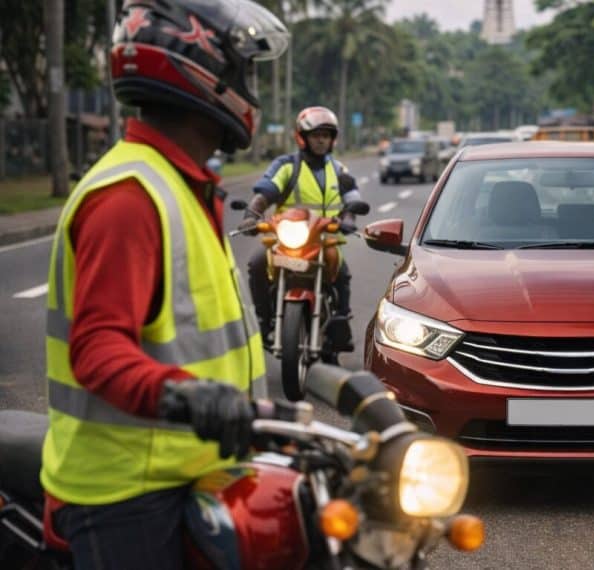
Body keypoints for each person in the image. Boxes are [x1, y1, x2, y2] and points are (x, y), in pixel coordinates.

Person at [39, 1, 287, 567]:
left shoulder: (179, 184)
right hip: (127, 492)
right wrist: (192, 397)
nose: (249, 89)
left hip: (193, 469)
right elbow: (97, 349)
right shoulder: (130, 196)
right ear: (202, 72)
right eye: (241, 72)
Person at [238, 106, 362, 351]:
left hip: (326, 239)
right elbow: (264, 193)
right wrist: (251, 216)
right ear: (302, 138)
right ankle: (263, 319)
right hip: (287, 239)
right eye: (316, 135)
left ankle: (340, 326)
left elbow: (352, 198)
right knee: (257, 263)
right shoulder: (286, 166)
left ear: (332, 139)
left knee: (342, 274)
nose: (321, 140)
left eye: (326, 135)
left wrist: (349, 219)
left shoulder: (338, 170)